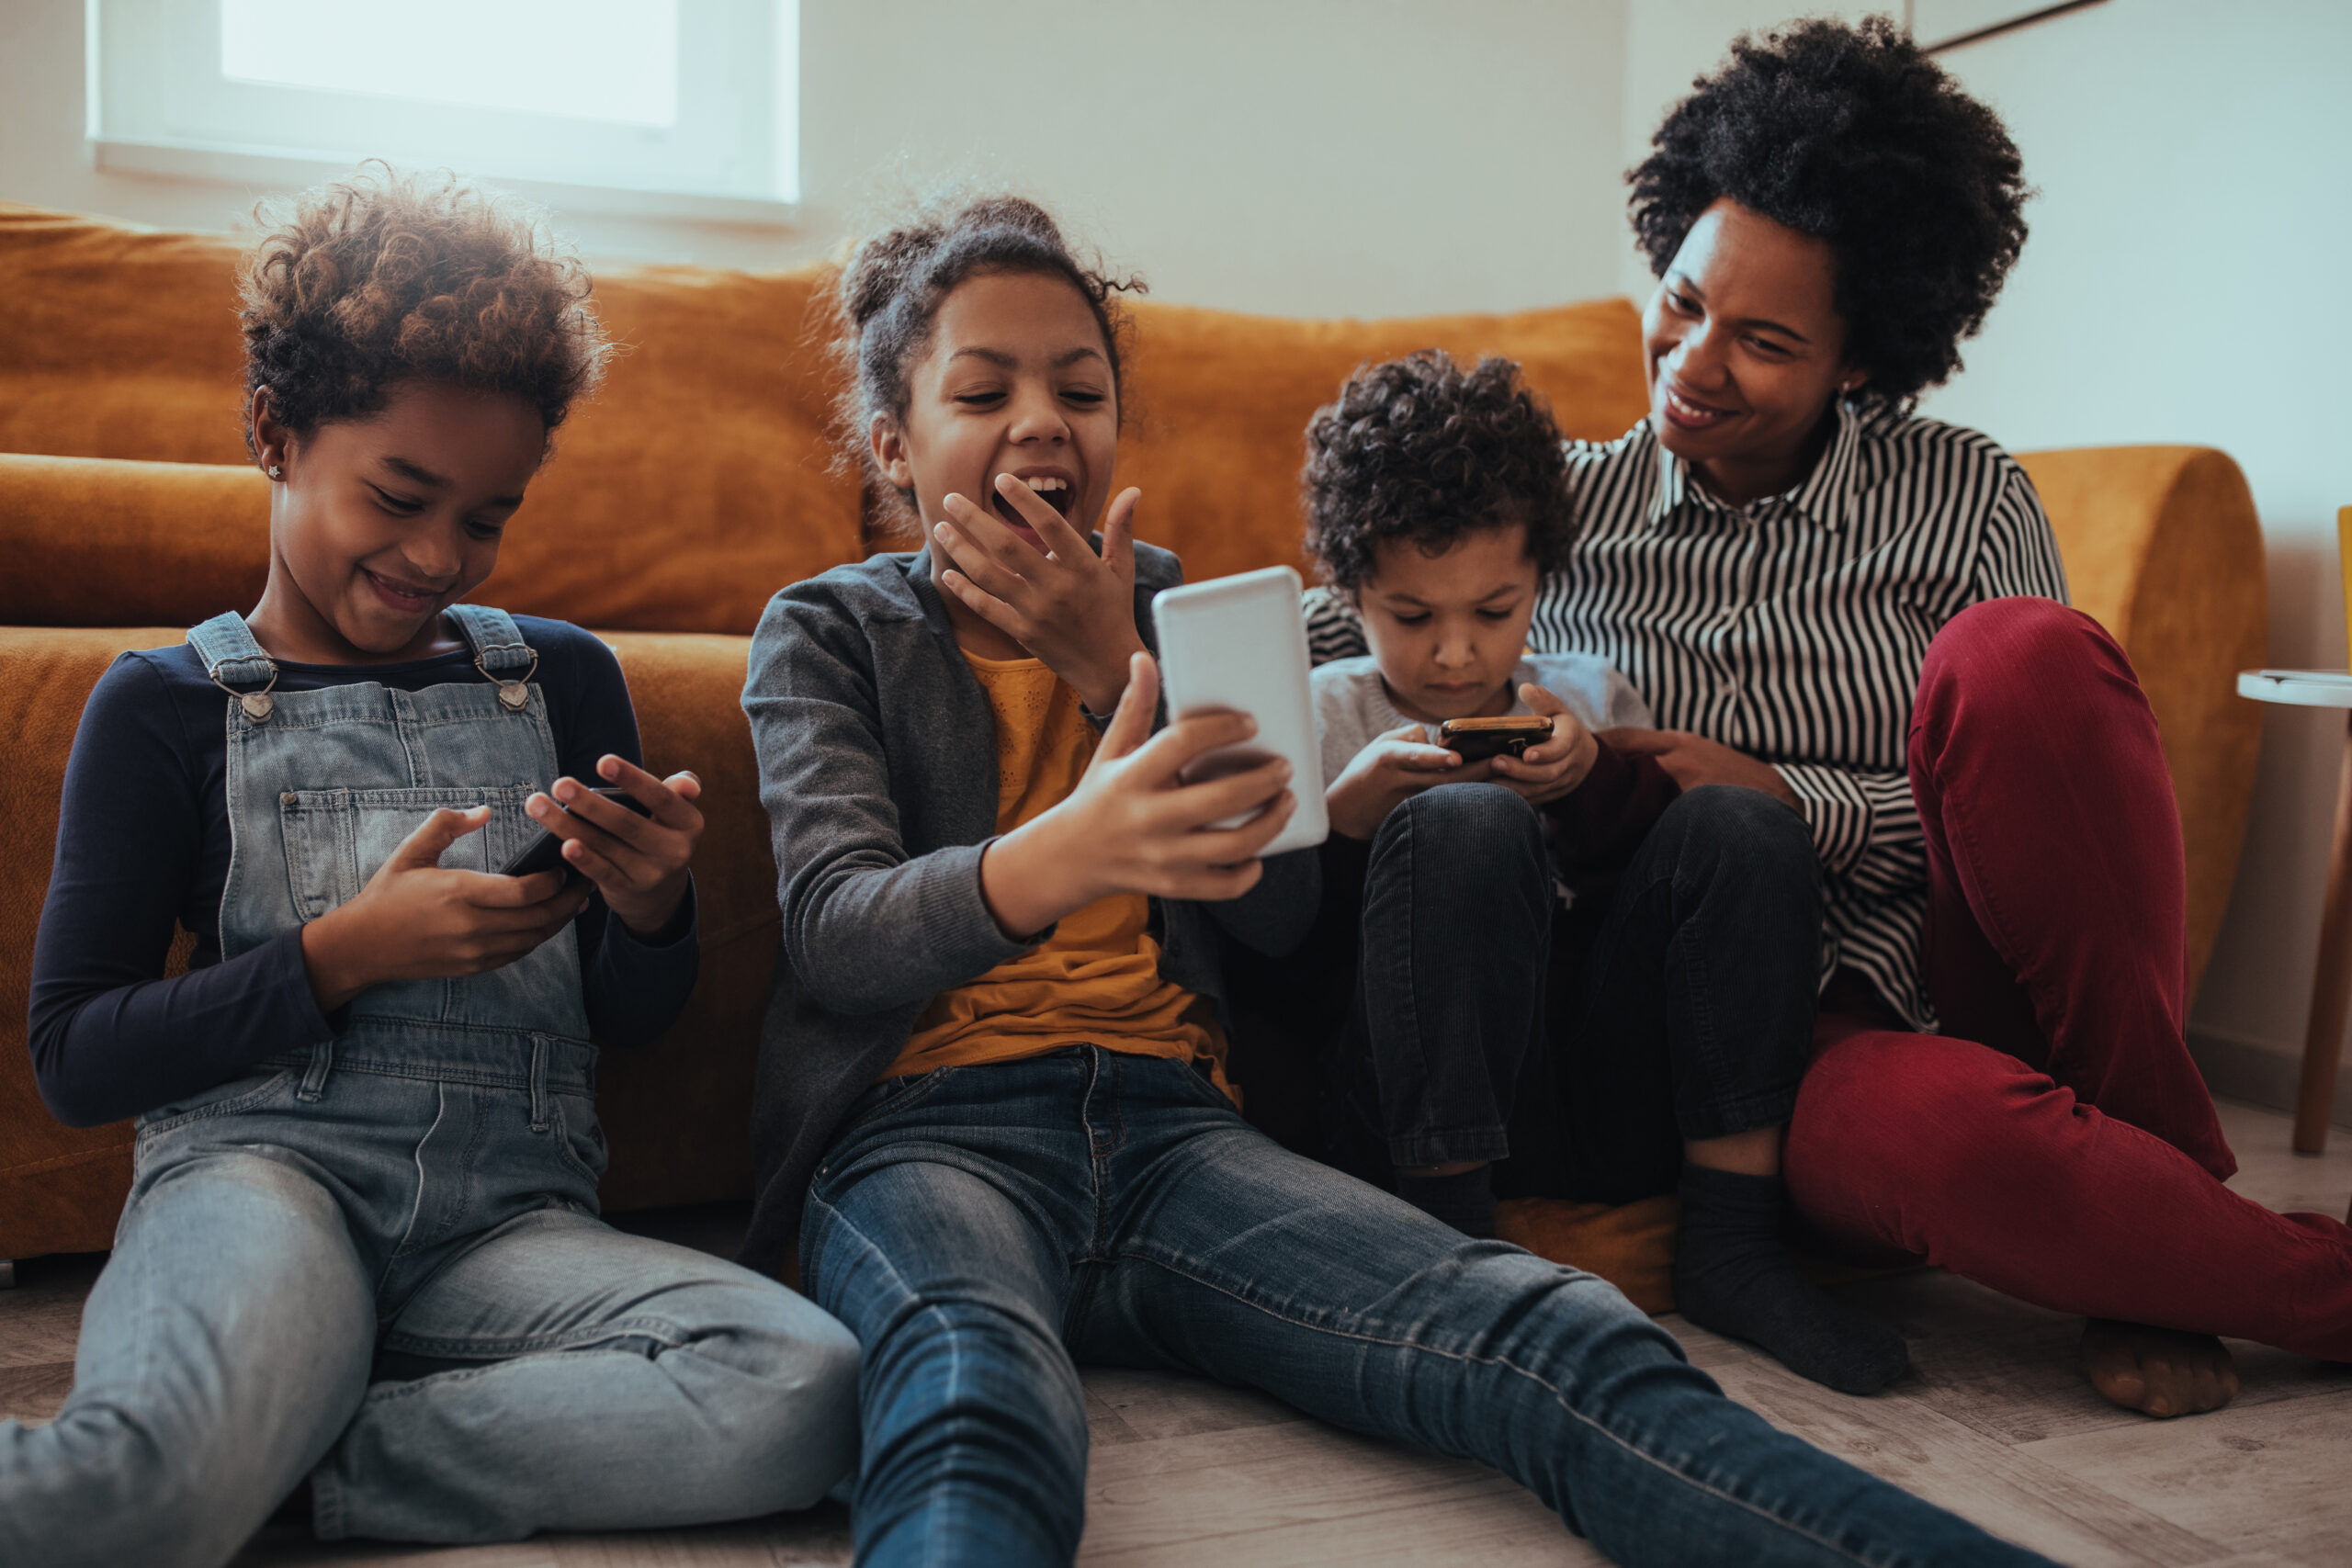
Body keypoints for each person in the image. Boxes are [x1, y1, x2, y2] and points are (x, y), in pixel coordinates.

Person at [740, 192, 2057, 1568]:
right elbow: (840, 936)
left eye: (1081, 385)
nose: (1042, 417)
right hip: (929, 1128)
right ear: (896, 440)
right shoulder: (828, 631)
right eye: (984, 387)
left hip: (1173, 1127)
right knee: (974, 1400)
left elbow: (1274, 920)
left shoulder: (1178, 615)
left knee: (1558, 1334)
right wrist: (1081, 836)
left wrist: (1108, 670)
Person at [1307, 15, 2352, 1418]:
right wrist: (1125, 640)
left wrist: (1811, 801)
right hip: (1762, 1054)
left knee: (2024, 655)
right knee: (1939, 1151)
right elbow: (1357, 627)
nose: (1690, 359)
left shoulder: (1967, 494)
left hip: (1937, 968)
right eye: (1681, 298)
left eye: (1764, 340)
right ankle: (2215, 1258)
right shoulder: (1551, 502)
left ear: (1860, 361)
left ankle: (2154, 1209)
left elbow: (2049, 808)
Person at [6, 169, 858, 1568]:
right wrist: (345, 952)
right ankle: (225, 1442)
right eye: (398, 495)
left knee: (806, 1382)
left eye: (485, 517)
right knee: (133, 1498)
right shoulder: (160, 706)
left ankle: (295, 1453)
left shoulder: (566, 678)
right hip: (263, 1185)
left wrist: (648, 906)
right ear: (275, 434)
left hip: (506, 1225)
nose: (434, 557)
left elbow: (634, 1020)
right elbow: (75, 1057)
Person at [1293, 348, 1907, 1395]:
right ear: (1348, 593)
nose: (1452, 657)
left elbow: (1662, 916)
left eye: (1493, 611)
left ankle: (1731, 1242)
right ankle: (1447, 1254)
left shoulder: (1582, 693)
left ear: (1541, 581)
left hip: (1603, 1095)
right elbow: (1281, 971)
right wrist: (1345, 825)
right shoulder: (1321, 713)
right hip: (1415, 1108)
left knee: (1743, 823)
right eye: (1411, 616)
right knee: (1465, 823)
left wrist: (1587, 784)